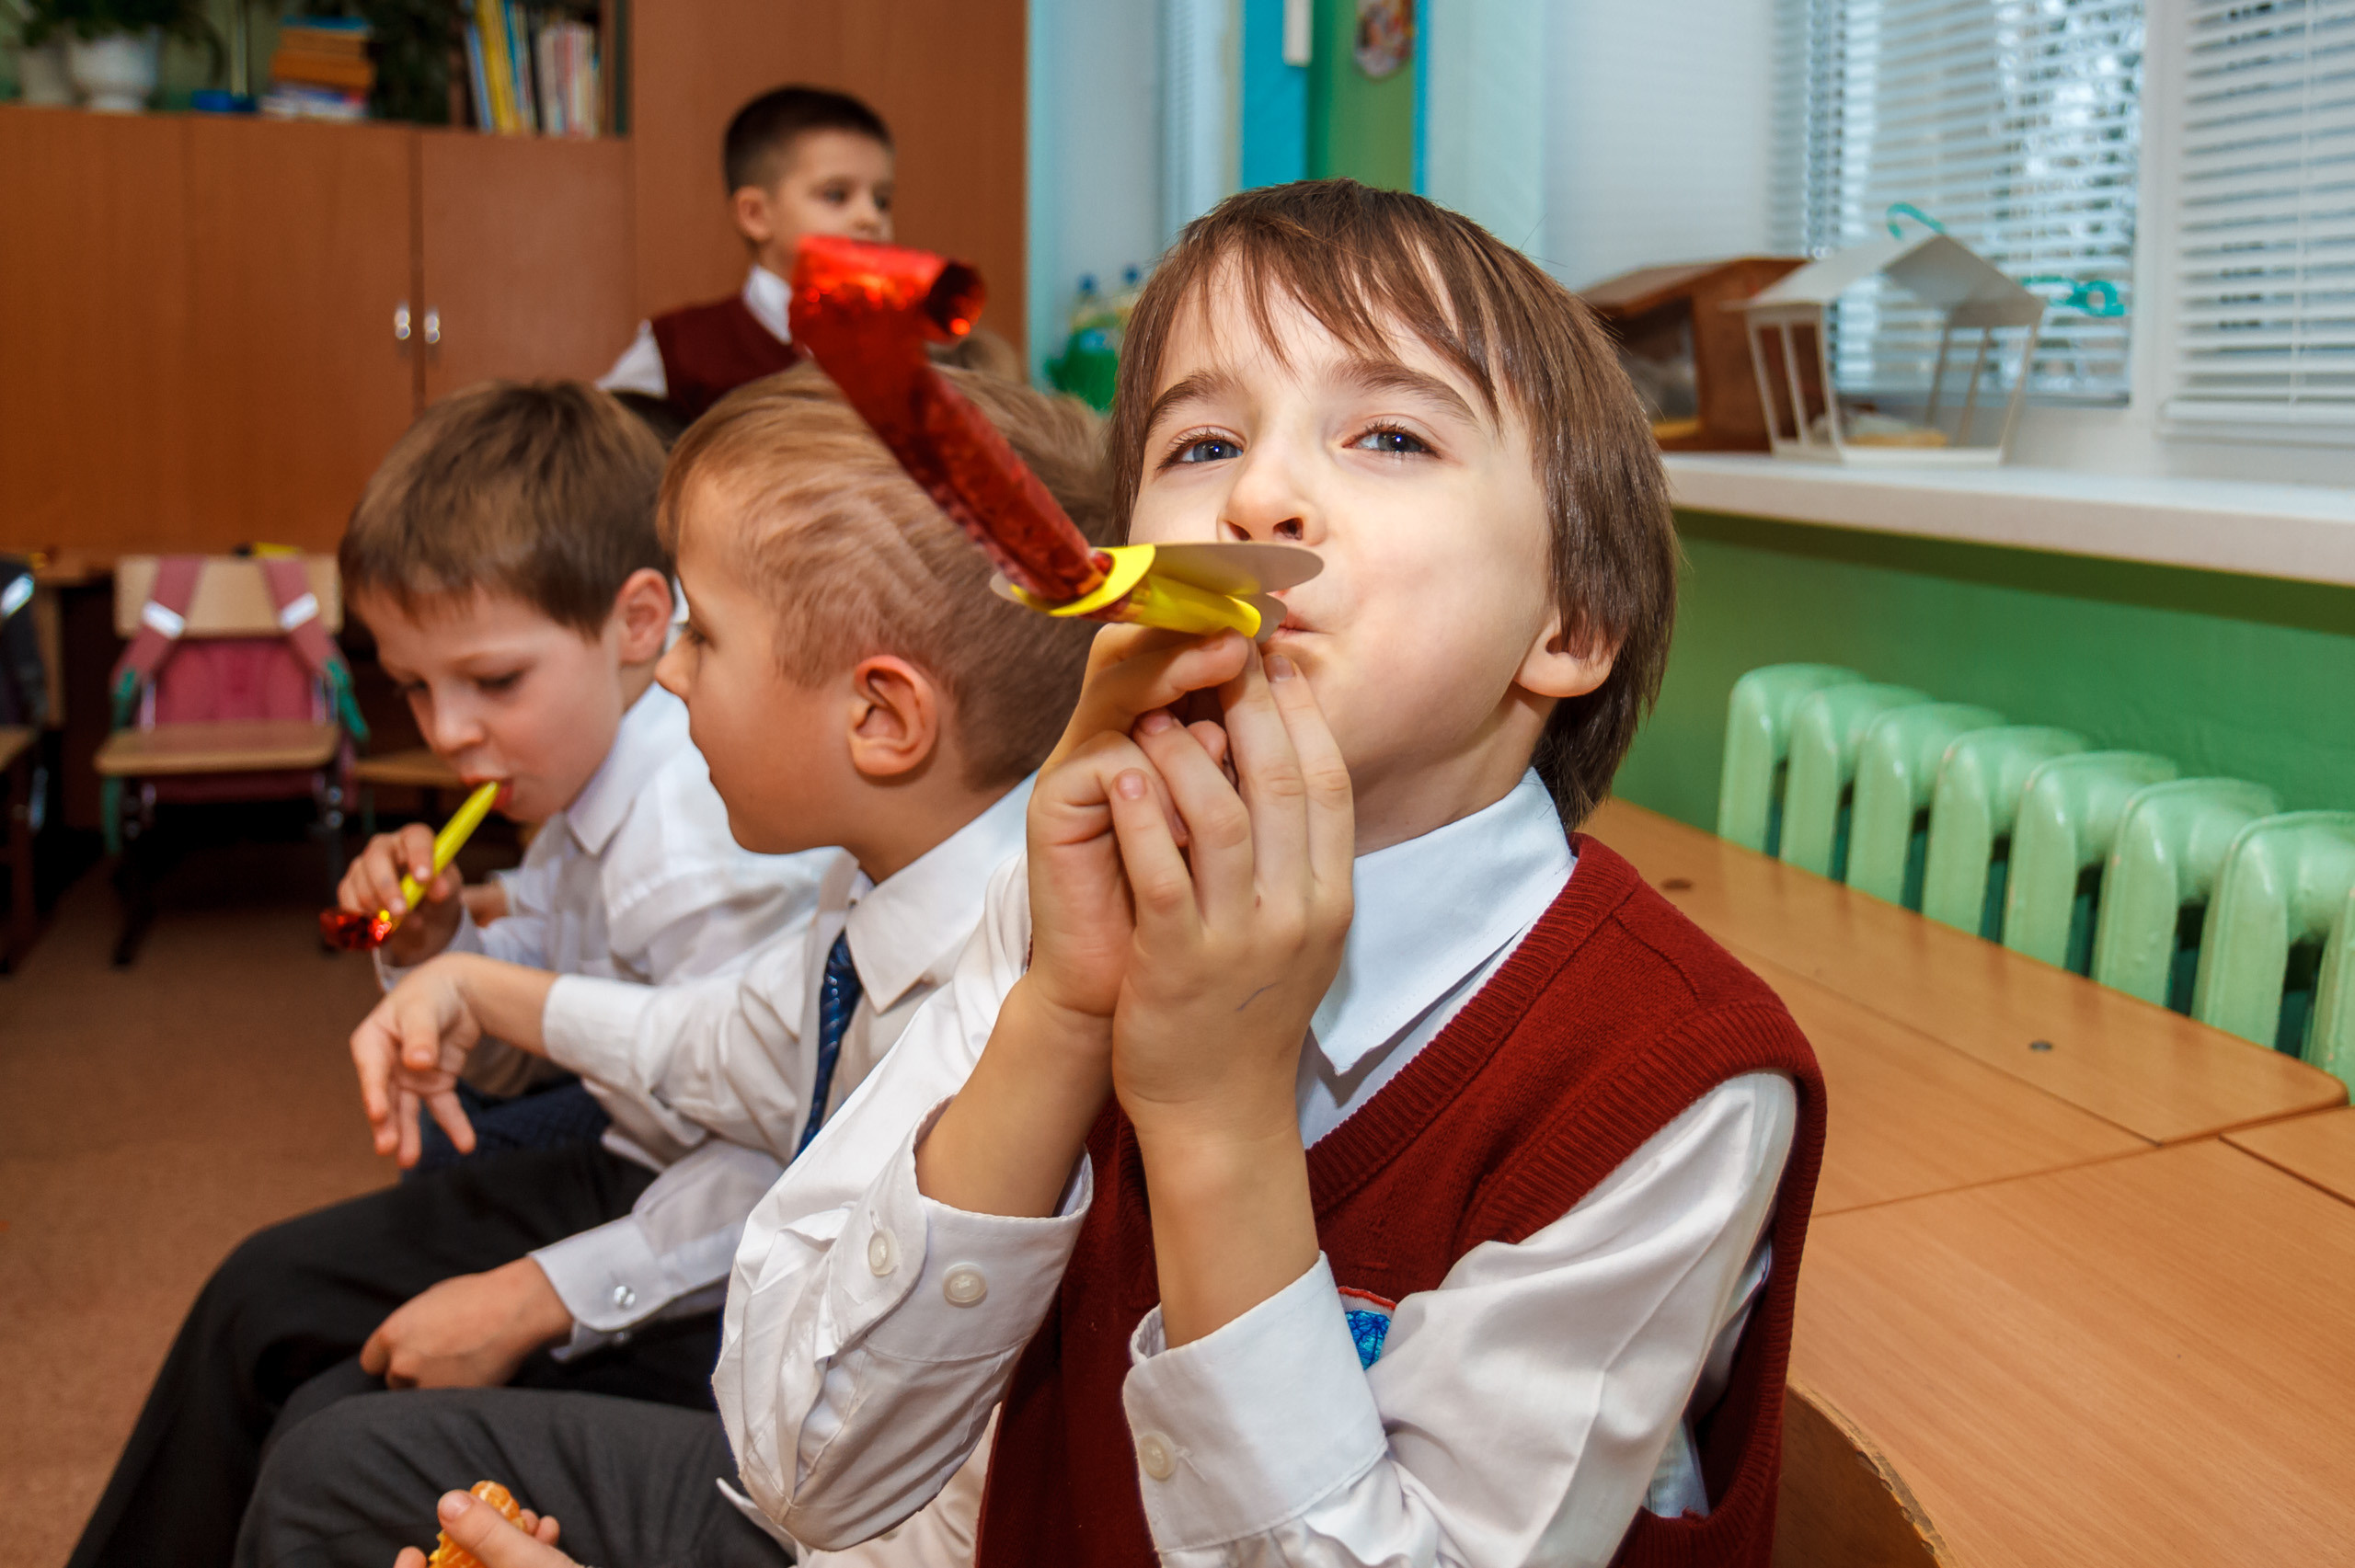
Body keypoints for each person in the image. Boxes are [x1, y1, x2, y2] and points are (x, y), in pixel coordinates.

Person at [703, 178, 1829, 1568]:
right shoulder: (1087, 892)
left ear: (1571, 620)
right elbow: (807, 1474)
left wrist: (1218, 1120)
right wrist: (1060, 1015)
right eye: (1205, 438)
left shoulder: (1674, 1085)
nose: (1260, 491)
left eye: (1392, 433)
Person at [234, 365, 1115, 1568]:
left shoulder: (987, 1009)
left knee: (336, 1463)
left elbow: (846, 1477)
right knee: (326, 1418)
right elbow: (706, 1041)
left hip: (850, 1520)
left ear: (883, 719)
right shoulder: (876, 884)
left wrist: (543, 1293)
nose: (674, 672)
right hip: (800, 1440)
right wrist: (472, 981)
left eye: (705, 633)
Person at [65, 382, 828, 1568]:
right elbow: (552, 1002)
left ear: (636, 622)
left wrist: (538, 1290)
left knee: (320, 1401)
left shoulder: (690, 835)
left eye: (492, 682)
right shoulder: (587, 778)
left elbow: (779, 1157)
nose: (451, 729)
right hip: (636, 1165)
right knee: (260, 1295)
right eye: (416, 686)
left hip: (722, 1240)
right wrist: (435, 950)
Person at [601, 86, 893, 422]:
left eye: (882, 200)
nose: (870, 218)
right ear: (755, 214)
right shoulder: (679, 349)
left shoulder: (907, 348)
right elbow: (603, 452)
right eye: (836, 195)